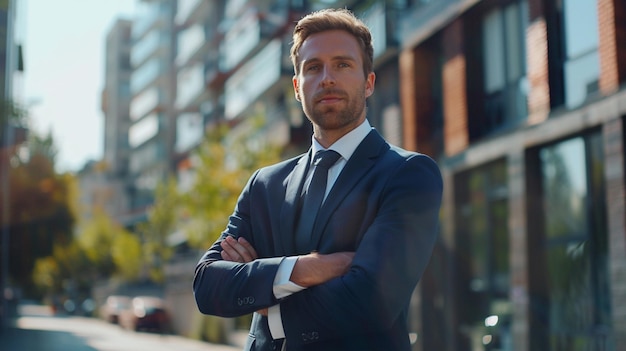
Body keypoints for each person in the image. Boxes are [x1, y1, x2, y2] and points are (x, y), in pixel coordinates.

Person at [193, 8, 443, 351]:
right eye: (313, 67)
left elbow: (370, 300)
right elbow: (207, 286)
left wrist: (264, 296)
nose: (327, 78)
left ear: (368, 82)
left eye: (342, 64)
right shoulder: (264, 185)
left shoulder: (408, 174)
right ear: (297, 87)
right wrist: (307, 269)